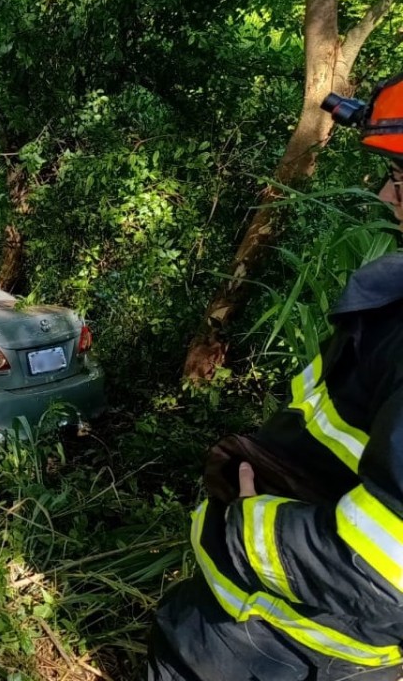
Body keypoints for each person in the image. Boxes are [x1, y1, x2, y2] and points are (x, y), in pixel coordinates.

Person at [148, 74, 403, 681]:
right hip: (259, 633)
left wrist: (245, 527)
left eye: (402, 179)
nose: (390, 199)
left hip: (290, 650)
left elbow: (385, 570)